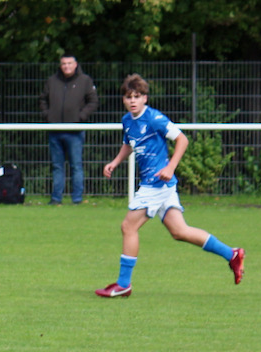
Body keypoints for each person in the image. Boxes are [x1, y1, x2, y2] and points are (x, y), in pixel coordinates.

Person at [96, 74, 245, 298]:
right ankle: (231, 254)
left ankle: (123, 284)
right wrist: (115, 162)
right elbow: (129, 143)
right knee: (179, 231)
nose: (133, 101)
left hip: (156, 183)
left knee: (128, 227)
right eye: (129, 97)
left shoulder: (155, 118)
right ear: (124, 100)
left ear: (145, 98)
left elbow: (182, 139)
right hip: (160, 186)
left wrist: (170, 167)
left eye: (137, 96)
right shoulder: (127, 120)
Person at [38, 53, 99, 205]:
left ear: (75, 64)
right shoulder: (52, 81)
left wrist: (81, 117)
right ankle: (56, 198)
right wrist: (48, 116)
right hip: (55, 130)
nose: (67, 66)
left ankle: (77, 199)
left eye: (69, 63)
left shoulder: (85, 81)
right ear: (60, 65)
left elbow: (93, 102)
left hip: (75, 131)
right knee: (57, 166)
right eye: (64, 63)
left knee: (76, 166)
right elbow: (42, 100)